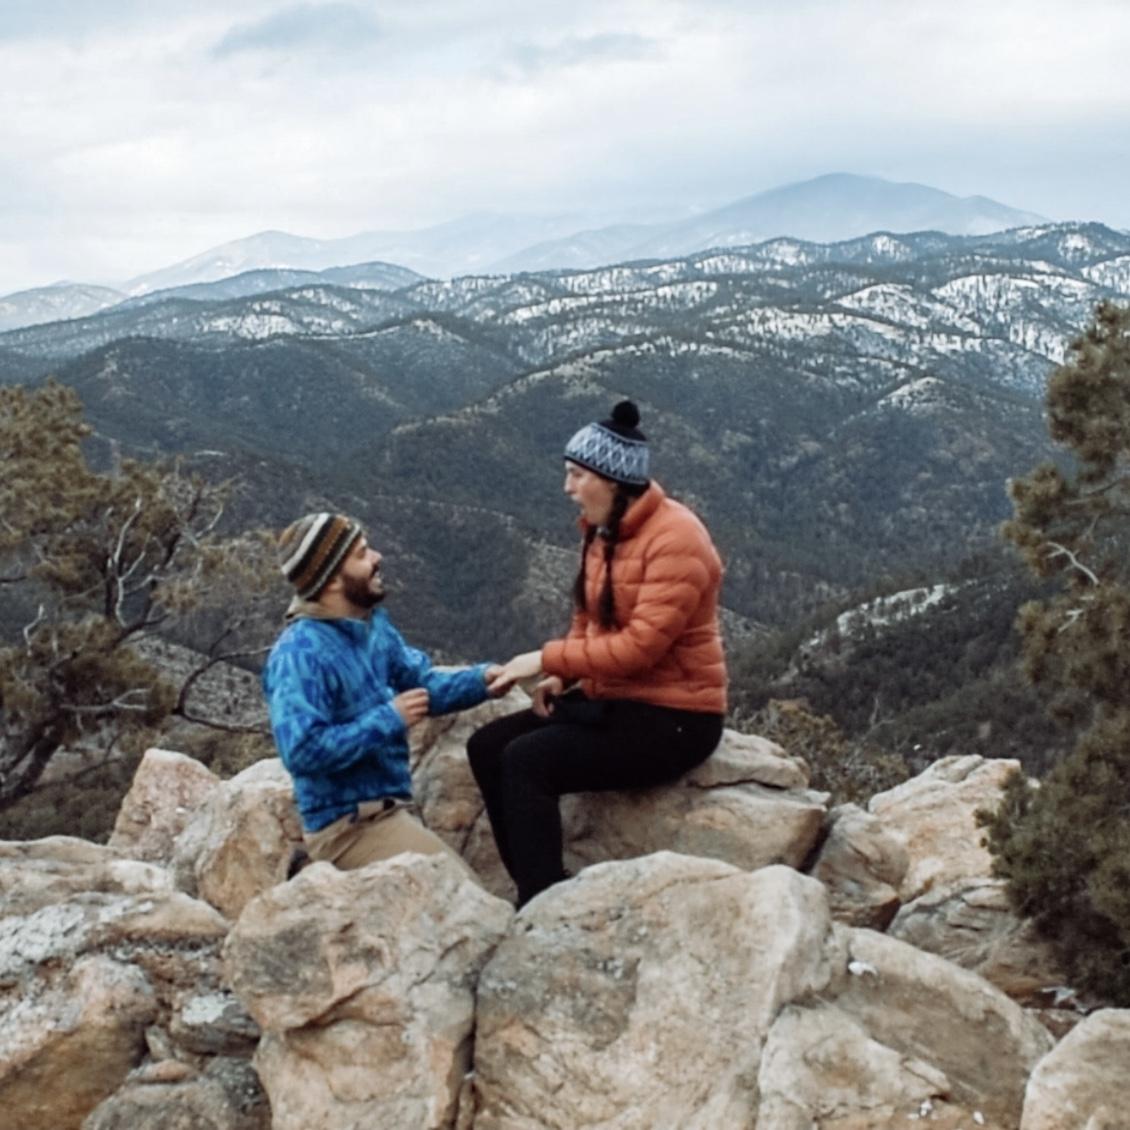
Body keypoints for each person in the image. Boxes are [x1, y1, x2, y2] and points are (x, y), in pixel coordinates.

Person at [468, 400, 727, 907]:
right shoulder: (605, 529)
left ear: (613, 480)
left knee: (527, 761)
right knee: (487, 747)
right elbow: (590, 615)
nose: (567, 487)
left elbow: (639, 649)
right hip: (617, 699)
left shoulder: (678, 539)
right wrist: (563, 678)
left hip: (676, 718)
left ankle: (543, 905)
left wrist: (545, 659)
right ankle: (535, 883)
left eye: (576, 474)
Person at [262, 511, 501, 877]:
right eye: (361, 554)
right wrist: (390, 718)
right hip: (348, 828)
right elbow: (302, 751)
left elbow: (421, 684)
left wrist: (486, 680)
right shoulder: (299, 654)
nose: (377, 557)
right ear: (331, 581)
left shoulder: (371, 626)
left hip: (389, 813)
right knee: (465, 894)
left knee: (465, 892)